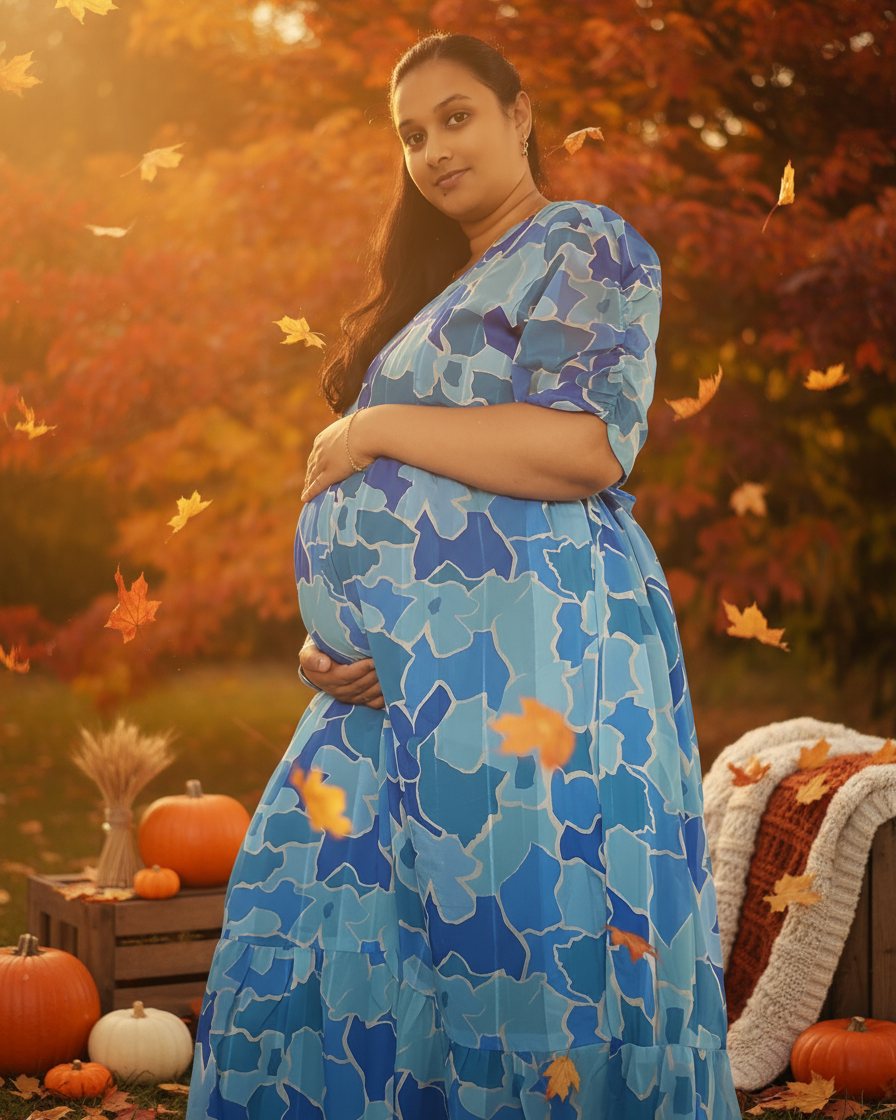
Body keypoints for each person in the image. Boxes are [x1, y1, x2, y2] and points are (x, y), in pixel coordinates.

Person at [187, 32, 741, 1120]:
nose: (432, 150)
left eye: (455, 117)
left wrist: (375, 425)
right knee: (343, 919)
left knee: (516, 923)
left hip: (532, 654)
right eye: (409, 134)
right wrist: (334, 640)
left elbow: (584, 448)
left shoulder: (583, 242)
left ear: (519, 113)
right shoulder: (439, 285)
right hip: (401, 682)